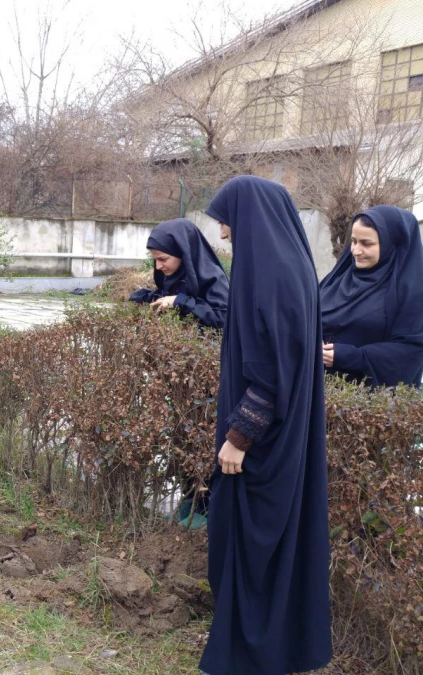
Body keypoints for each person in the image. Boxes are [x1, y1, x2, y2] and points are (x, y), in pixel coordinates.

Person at [200, 176, 332, 675]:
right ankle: (267, 646)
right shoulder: (288, 267)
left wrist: (238, 438)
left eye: (228, 222)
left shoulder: (272, 276)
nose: (226, 235)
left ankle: (250, 651)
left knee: (254, 538)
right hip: (278, 440)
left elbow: (272, 373)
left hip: (263, 443)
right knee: (265, 544)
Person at [319, 205, 423, 388]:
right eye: (353, 241)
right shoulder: (338, 280)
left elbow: (411, 352)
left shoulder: (410, 293)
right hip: (314, 392)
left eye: (366, 244)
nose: (356, 251)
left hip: (363, 407)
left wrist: (352, 357)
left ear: (393, 244)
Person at [129, 218, 229, 329]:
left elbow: (224, 318)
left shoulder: (213, 277)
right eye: (155, 260)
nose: (158, 267)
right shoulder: (174, 271)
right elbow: (169, 297)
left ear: (182, 252)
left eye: (163, 259)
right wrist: (146, 297)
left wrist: (182, 302)